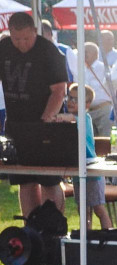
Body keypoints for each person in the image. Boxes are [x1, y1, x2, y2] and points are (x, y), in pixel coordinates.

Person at [0, 12, 69, 215]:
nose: (22, 44)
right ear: (9, 33)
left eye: (26, 38)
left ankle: (52, 229)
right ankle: (32, 231)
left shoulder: (48, 51)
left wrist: (44, 122)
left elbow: (59, 91)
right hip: (15, 125)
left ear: (35, 31)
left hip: (45, 125)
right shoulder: (3, 49)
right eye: (16, 39)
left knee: (49, 180)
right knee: (25, 180)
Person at [56, 84, 113, 230]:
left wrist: (55, 117)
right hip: (78, 168)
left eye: (75, 99)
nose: (70, 101)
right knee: (83, 209)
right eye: (69, 97)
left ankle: (108, 235)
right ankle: (87, 238)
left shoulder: (83, 117)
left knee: (99, 208)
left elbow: (68, 118)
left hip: (91, 169)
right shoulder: (73, 119)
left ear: (87, 104)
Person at [81, 42, 113, 138]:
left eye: (87, 52)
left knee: (106, 141)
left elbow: (113, 86)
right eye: (82, 52)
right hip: (88, 112)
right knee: (92, 143)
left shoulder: (104, 68)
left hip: (103, 110)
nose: (84, 54)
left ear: (95, 54)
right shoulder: (81, 69)